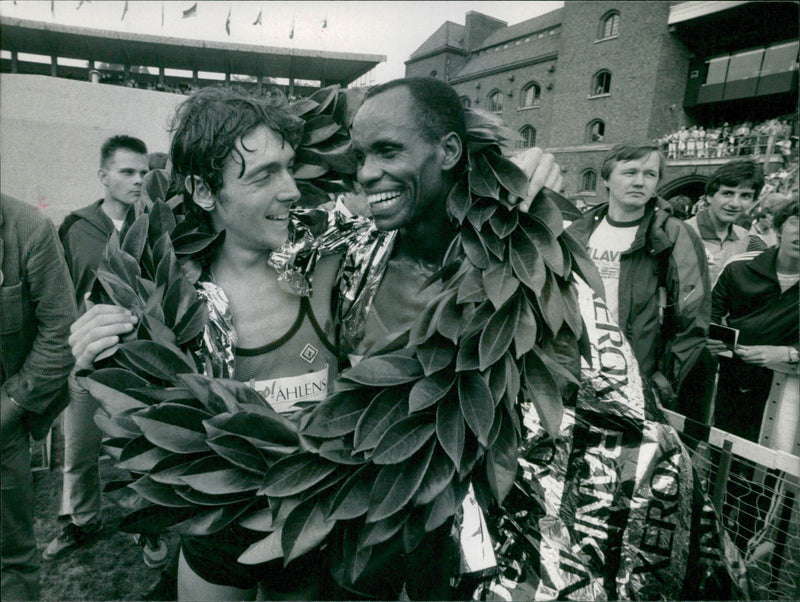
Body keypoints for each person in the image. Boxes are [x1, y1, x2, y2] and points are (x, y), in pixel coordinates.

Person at [66, 82, 562, 601]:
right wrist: (99, 349)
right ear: (204, 192)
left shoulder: (333, 254)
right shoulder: (168, 295)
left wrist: (509, 174)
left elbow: (432, 205)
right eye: (263, 175)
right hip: (220, 526)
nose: (291, 189)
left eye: (287, 166)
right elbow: (133, 402)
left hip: (317, 520)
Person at [45, 136, 169, 569]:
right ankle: (82, 520)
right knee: (78, 451)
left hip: (137, 367)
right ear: (104, 177)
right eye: (127, 172)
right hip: (84, 365)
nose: (138, 181)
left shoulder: (156, 225)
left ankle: (146, 526)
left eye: (142, 173)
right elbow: (59, 295)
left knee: (138, 451)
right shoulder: (76, 227)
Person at [567, 143, 710, 411]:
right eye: (630, 172)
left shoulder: (672, 234)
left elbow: (692, 317)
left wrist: (665, 380)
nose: (639, 182)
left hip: (636, 377)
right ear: (606, 178)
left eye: (649, 174)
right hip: (578, 369)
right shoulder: (579, 231)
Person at [1, 194, 77, 600]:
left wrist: (11, 405)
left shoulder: (27, 228)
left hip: (0, 433)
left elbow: (60, 331)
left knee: (9, 560)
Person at [708, 198, 799, 444]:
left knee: (773, 467)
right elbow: (708, 316)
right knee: (724, 456)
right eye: (796, 221)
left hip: (788, 388)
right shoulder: (739, 267)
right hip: (731, 379)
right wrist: (714, 341)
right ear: (779, 227)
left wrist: (788, 353)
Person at [685, 160, 767, 284]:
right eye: (728, 193)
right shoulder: (681, 233)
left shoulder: (746, 239)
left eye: (745, 196)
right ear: (709, 196)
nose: (735, 204)